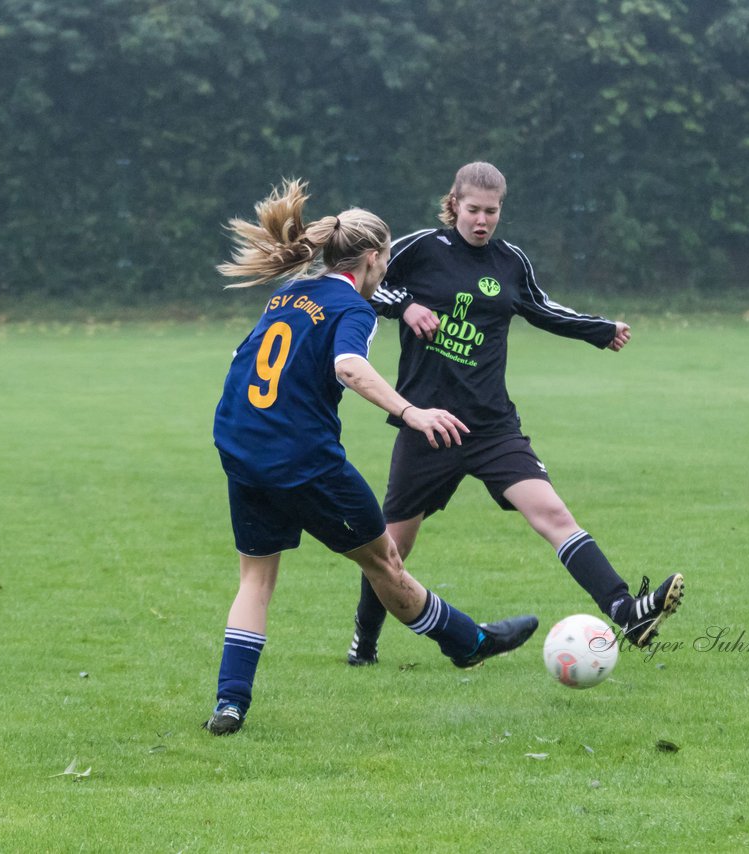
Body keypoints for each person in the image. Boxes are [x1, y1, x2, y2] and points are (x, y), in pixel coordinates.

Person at [205, 179, 539, 736]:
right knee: (383, 561)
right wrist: (413, 413)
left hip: (242, 448)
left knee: (256, 578)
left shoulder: (287, 294)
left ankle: (230, 705)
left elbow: (242, 359)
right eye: (386, 259)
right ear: (371, 259)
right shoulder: (352, 308)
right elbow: (348, 368)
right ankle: (469, 642)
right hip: (304, 461)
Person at [346, 161, 684, 667]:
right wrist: (407, 305)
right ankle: (364, 644)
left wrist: (599, 329)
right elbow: (364, 284)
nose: (482, 220)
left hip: (491, 426)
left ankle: (626, 611)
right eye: (473, 209)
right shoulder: (421, 248)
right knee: (391, 550)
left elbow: (542, 308)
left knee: (554, 516)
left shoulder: (509, 261)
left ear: (501, 210)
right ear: (454, 203)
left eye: (492, 211)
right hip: (428, 426)